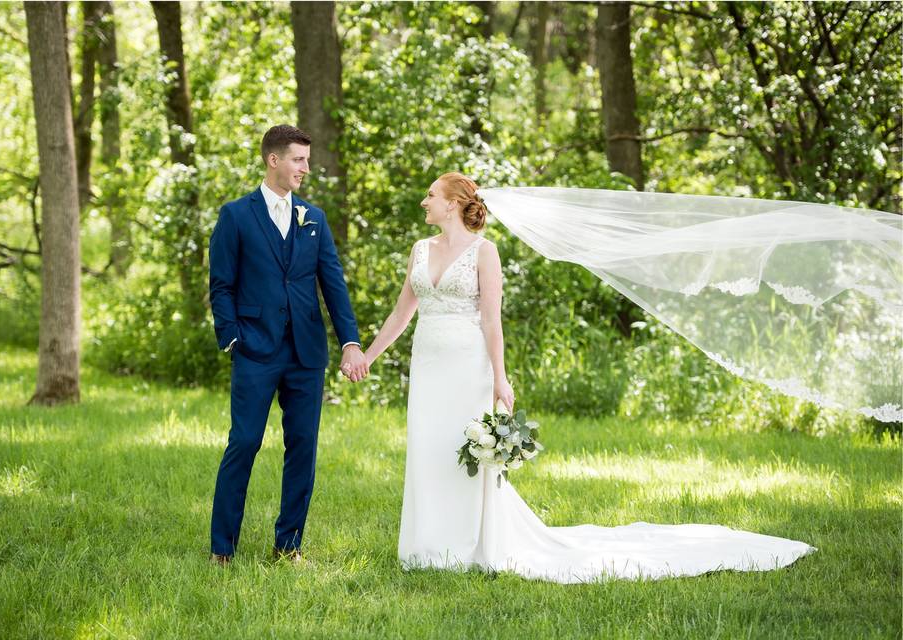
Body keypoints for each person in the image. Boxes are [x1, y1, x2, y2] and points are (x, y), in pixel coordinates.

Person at [362, 172, 816, 583]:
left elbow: (491, 321)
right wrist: (368, 356)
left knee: (466, 452)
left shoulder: (486, 252)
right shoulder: (420, 251)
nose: (424, 202)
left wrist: (501, 379)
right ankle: (426, 546)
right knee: (428, 447)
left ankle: (466, 546)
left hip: (468, 365)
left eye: (431, 195)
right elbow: (403, 311)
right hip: (428, 365)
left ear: (455, 203)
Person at [207, 125, 368, 565]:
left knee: (303, 447)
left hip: (306, 353)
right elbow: (221, 285)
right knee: (244, 442)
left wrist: (350, 341)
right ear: (273, 160)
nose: (306, 168)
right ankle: (222, 549)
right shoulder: (236, 215)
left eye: (307, 160)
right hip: (255, 349)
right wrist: (232, 336)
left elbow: (332, 283)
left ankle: (288, 545)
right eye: (299, 159)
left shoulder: (313, 218)